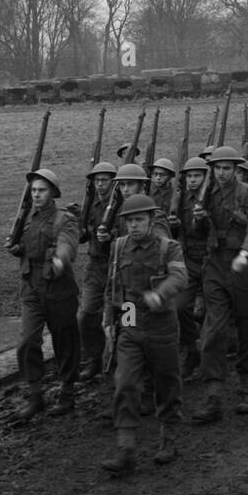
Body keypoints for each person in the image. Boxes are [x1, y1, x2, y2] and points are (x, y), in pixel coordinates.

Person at [101, 194, 188, 476]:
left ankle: (169, 438)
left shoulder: (168, 247)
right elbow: (112, 286)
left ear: (151, 220)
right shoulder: (118, 247)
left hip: (161, 326)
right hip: (130, 324)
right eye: (129, 221)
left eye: (139, 220)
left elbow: (180, 277)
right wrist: (109, 320)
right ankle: (125, 449)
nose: (134, 226)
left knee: (167, 384)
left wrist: (159, 294)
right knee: (125, 383)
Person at [190, 145, 248, 424]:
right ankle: (213, 395)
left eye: (226, 168)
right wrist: (198, 220)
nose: (221, 173)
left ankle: (245, 383)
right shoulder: (206, 194)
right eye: (217, 168)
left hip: (244, 266)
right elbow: (198, 234)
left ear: (236, 169)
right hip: (215, 265)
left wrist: (246, 252)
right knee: (213, 329)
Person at [7, 167, 80, 420]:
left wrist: (61, 258)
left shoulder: (65, 218)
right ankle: (36, 395)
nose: (36, 195)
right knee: (28, 341)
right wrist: (16, 248)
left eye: (42, 190)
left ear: (53, 193)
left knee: (65, 342)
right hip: (31, 288)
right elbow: (23, 245)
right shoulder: (27, 218)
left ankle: (67, 392)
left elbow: (68, 242)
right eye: (34, 190)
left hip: (58, 289)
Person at [77, 159, 118, 381]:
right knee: (85, 315)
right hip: (95, 265)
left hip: (118, 266)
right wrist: (81, 227)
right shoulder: (89, 204)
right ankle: (94, 357)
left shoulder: (121, 205)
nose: (100, 184)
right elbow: (82, 237)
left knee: (124, 314)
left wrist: (111, 236)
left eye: (105, 180)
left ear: (114, 182)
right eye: (97, 180)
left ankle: (125, 356)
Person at [173, 156, 211, 380]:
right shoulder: (180, 200)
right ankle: (191, 349)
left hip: (210, 260)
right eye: (190, 176)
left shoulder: (212, 199)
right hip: (188, 261)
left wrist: (205, 219)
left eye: (197, 176)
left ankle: (210, 356)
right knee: (179, 307)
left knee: (211, 311)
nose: (193, 180)